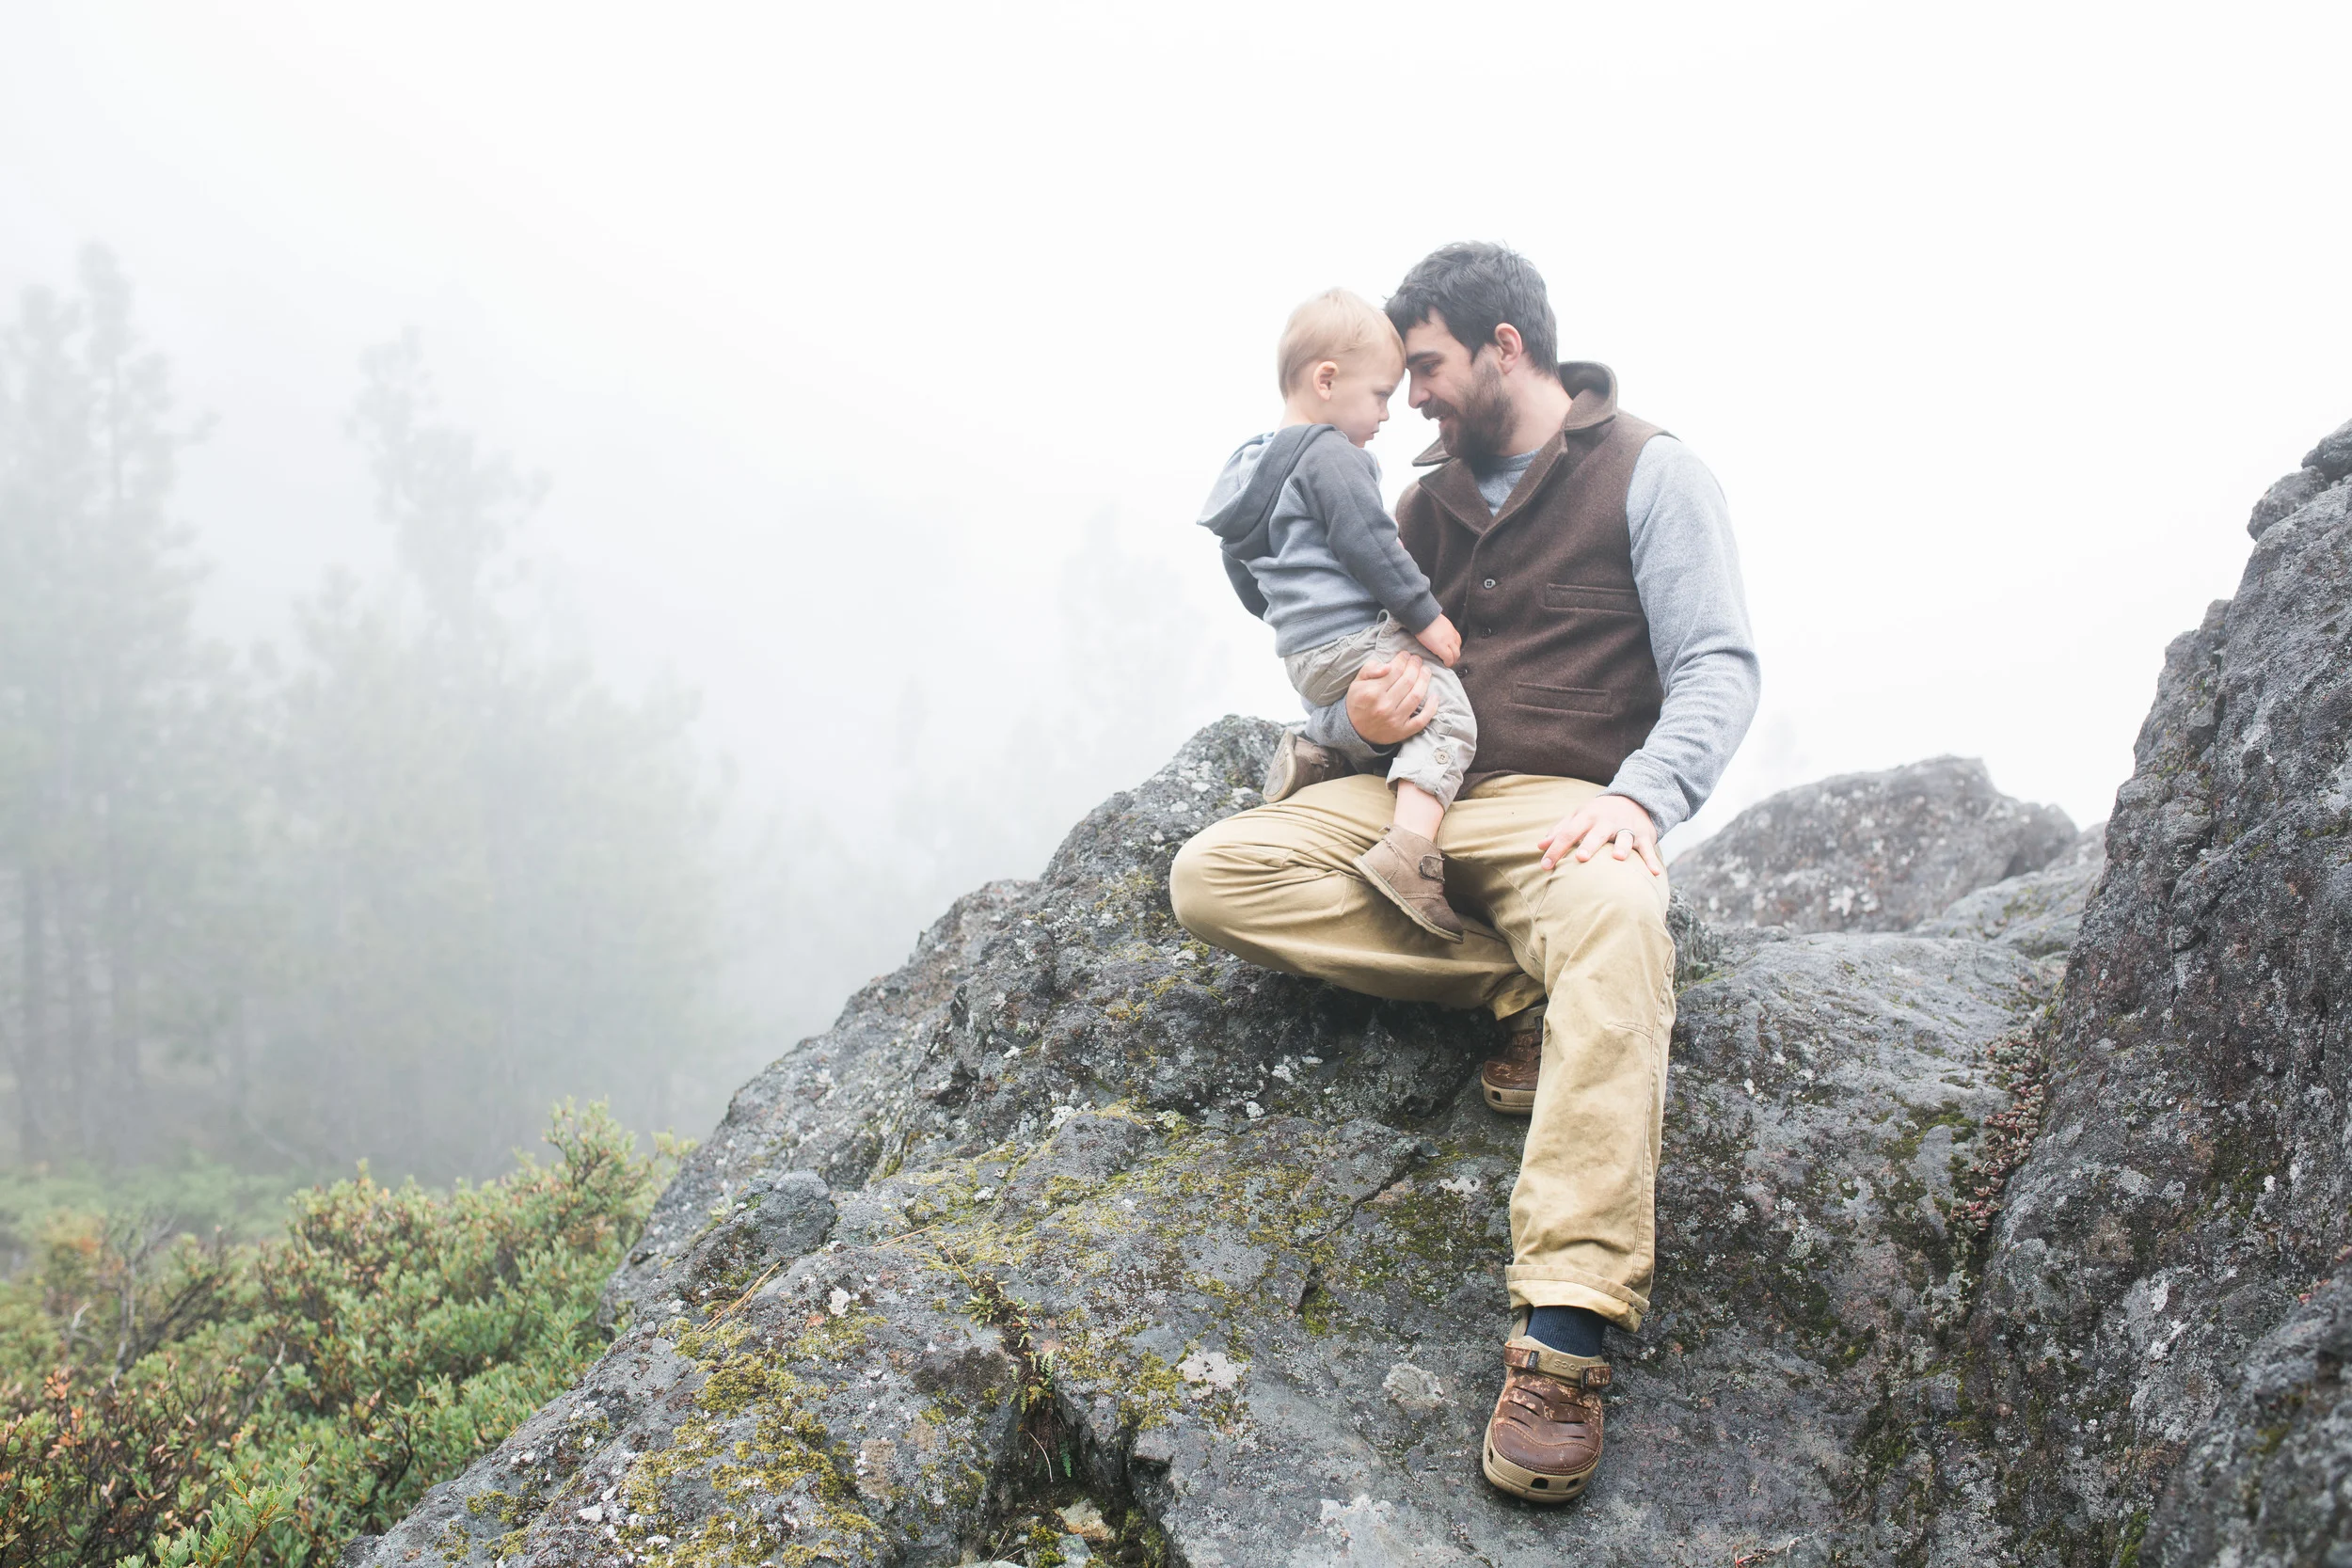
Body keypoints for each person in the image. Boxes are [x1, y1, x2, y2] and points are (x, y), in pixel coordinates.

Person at [1170, 243, 1759, 1504]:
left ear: (1506, 345)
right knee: (1214, 878)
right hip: (1407, 802)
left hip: (1563, 814)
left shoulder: (1652, 472)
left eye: (1427, 366)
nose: (1411, 397)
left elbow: (1717, 664)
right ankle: (1528, 991)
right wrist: (1370, 725)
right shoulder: (1419, 505)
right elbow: (1372, 656)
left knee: (1614, 914)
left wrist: (1639, 803)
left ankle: (1568, 1328)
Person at [1196, 288, 1479, 941]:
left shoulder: (1248, 467)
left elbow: (1240, 567)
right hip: (1353, 637)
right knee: (1446, 714)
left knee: (1388, 708)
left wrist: (1286, 615)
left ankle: (1317, 754)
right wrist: (1427, 617)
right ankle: (1408, 854)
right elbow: (1370, 544)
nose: (1388, 412)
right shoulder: (1330, 456)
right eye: (1380, 393)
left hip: (1303, 656)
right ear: (1327, 379)